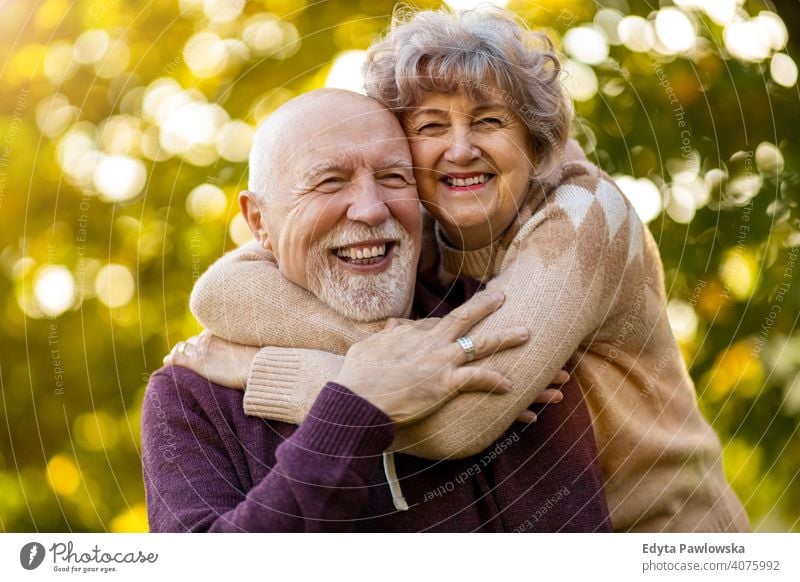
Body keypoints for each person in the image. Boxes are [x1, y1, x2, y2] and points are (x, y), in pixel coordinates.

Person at [180, 7, 748, 532]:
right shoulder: (415, 221)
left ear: (532, 137)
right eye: (430, 127)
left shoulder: (584, 214)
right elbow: (222, 291)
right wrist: (399, 366)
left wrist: (265, 371)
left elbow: (463, 422)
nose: (459, 149)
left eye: (489, 120)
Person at [142, 88, 611, 532]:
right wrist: (354, 407)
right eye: (329, 183)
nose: (370, 209)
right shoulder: (192, 395)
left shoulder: (504, 319)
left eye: (393, 177)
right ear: (260, 222)